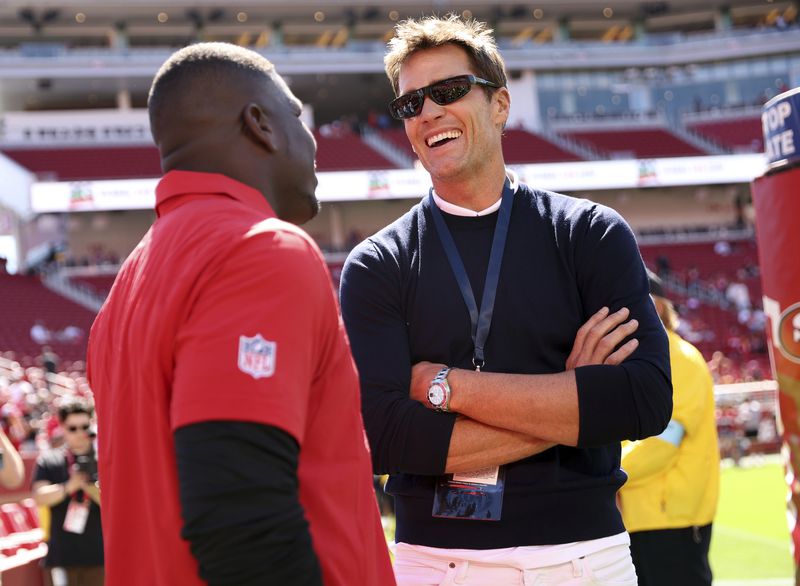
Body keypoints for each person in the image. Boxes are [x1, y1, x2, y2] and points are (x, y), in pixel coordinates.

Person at [340, 16, 672, 585]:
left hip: (585, 556)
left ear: (499, 105)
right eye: (411, 103)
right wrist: (574, 403)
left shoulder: (590, 233)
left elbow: (643, 402)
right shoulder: (378, 263)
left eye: (447, 91)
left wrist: (447, 386)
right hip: (437, 563)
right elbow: (385, 439)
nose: (428, 112)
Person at [86, 43, 394, 586]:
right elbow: (241, 519)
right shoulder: (259, 249)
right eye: (297, 116)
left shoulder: (126, 287)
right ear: (260, 125)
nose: (312, 139)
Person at [619, 270, 720, 586]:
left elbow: (662, 444)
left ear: (657, 305)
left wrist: (606, 473)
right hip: (644, 517)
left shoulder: (679, 358)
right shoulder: (645, 357)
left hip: (668, 517)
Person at [32, 398, 103, 586]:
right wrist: (69, 486)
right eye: (73, 428)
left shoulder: (105, 458)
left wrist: (91, 488)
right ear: (63, 427)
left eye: (84, 427)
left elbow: (117, 506)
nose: (80, 433)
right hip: (63, 555)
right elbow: (39, 497)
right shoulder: (50, 460)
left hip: (101, 555)